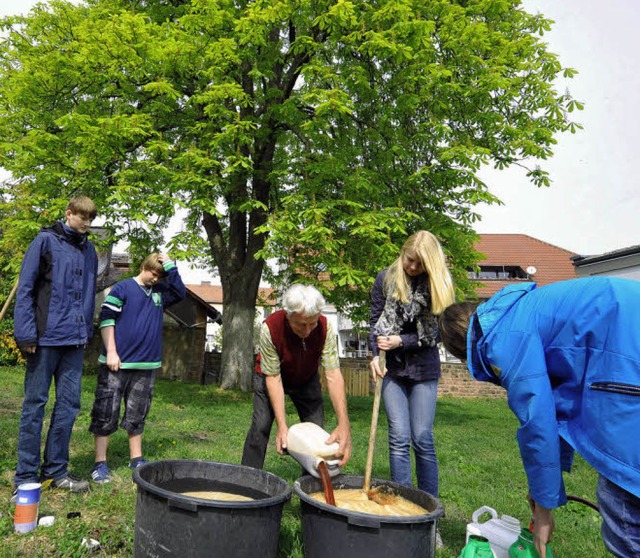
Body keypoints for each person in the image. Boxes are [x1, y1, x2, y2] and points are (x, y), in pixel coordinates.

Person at [437, 276, 640, 558]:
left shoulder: (505, 340)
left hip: (627, 361)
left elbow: (539, 421)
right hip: (623, 343)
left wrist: (544, 512)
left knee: (624, 504)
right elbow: (559, 405)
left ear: (462, 352)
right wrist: (542, 489)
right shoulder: (519, 313)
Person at [12, 195, 98, 501]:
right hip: (44, 339)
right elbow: (25, 290)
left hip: (74, 341)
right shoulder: (45, 242)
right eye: (82, 218)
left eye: (91, 220)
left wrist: (86, 330)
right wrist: (25, 335)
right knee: (35, 405)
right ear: (69, 214)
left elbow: (89, 295)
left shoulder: (90, 251)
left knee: (69, 406)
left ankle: (56, 472)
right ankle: (24, 477)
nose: (87, 224)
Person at [369, 230, 455, 499]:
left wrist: (401, 341)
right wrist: (374, 354)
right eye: (410, 260)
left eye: (420, 264)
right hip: (391, 368)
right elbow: (375, 321)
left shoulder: (437, 285)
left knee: (422, 438)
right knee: (398, 438)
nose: (413, 267)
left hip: (424, 369)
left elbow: (440, 332)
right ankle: (403, 506)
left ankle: (429, 511)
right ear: (403, 252)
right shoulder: (386, 279)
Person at [88, 253, 185, 483]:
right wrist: (111, 351)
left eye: (160, 275)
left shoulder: (161, 293)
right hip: (117, 363)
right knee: (105, 411)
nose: (155, 278)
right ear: (143, 266)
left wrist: (171, 266)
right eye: (153, 272)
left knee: (138, 412)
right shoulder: (122, 288)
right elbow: (106, 319)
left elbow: (180, 292)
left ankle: (136, 459)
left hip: (146, 364)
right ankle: (100, 463)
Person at [241, 284, 352, 470]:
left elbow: (333, 374)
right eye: (301, 324)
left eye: (312, 323)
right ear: (287, 315)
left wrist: (344, 423)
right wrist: (282, 426)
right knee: (260, 426)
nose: (308, 330)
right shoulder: (271, 328)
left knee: (316, 430)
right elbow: (274, 378)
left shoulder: (326, 328)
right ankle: (247, 481)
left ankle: (311, 491)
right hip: (271, 376)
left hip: (306, 378)